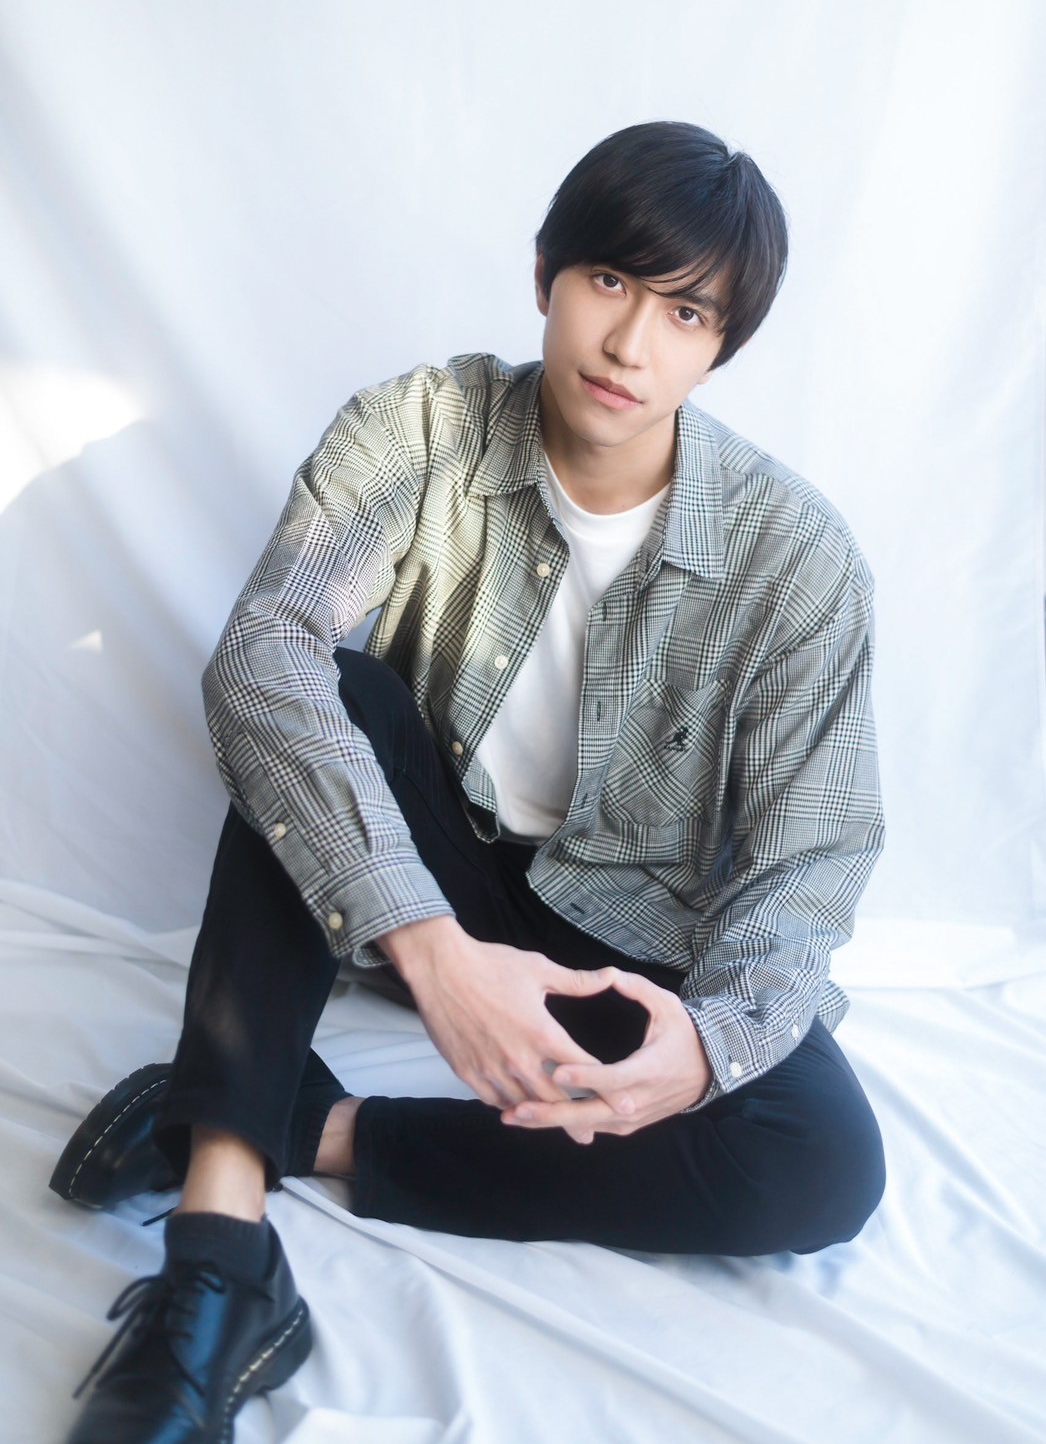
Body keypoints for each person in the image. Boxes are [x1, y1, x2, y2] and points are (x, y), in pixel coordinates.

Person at [51, 120, 886, 1444]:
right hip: (422, 873)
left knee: (821, 1162)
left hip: (625, 933)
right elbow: (262, 659)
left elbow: (811, 859)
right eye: (609, 281)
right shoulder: (423, 427)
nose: (630, 343)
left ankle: (300, 1123)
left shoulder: (795, 558)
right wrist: (434, 953)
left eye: (684, 313)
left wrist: (709, 1044)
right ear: (546, 272)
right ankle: (219, 1252)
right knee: (323, 696)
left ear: (721, 347)